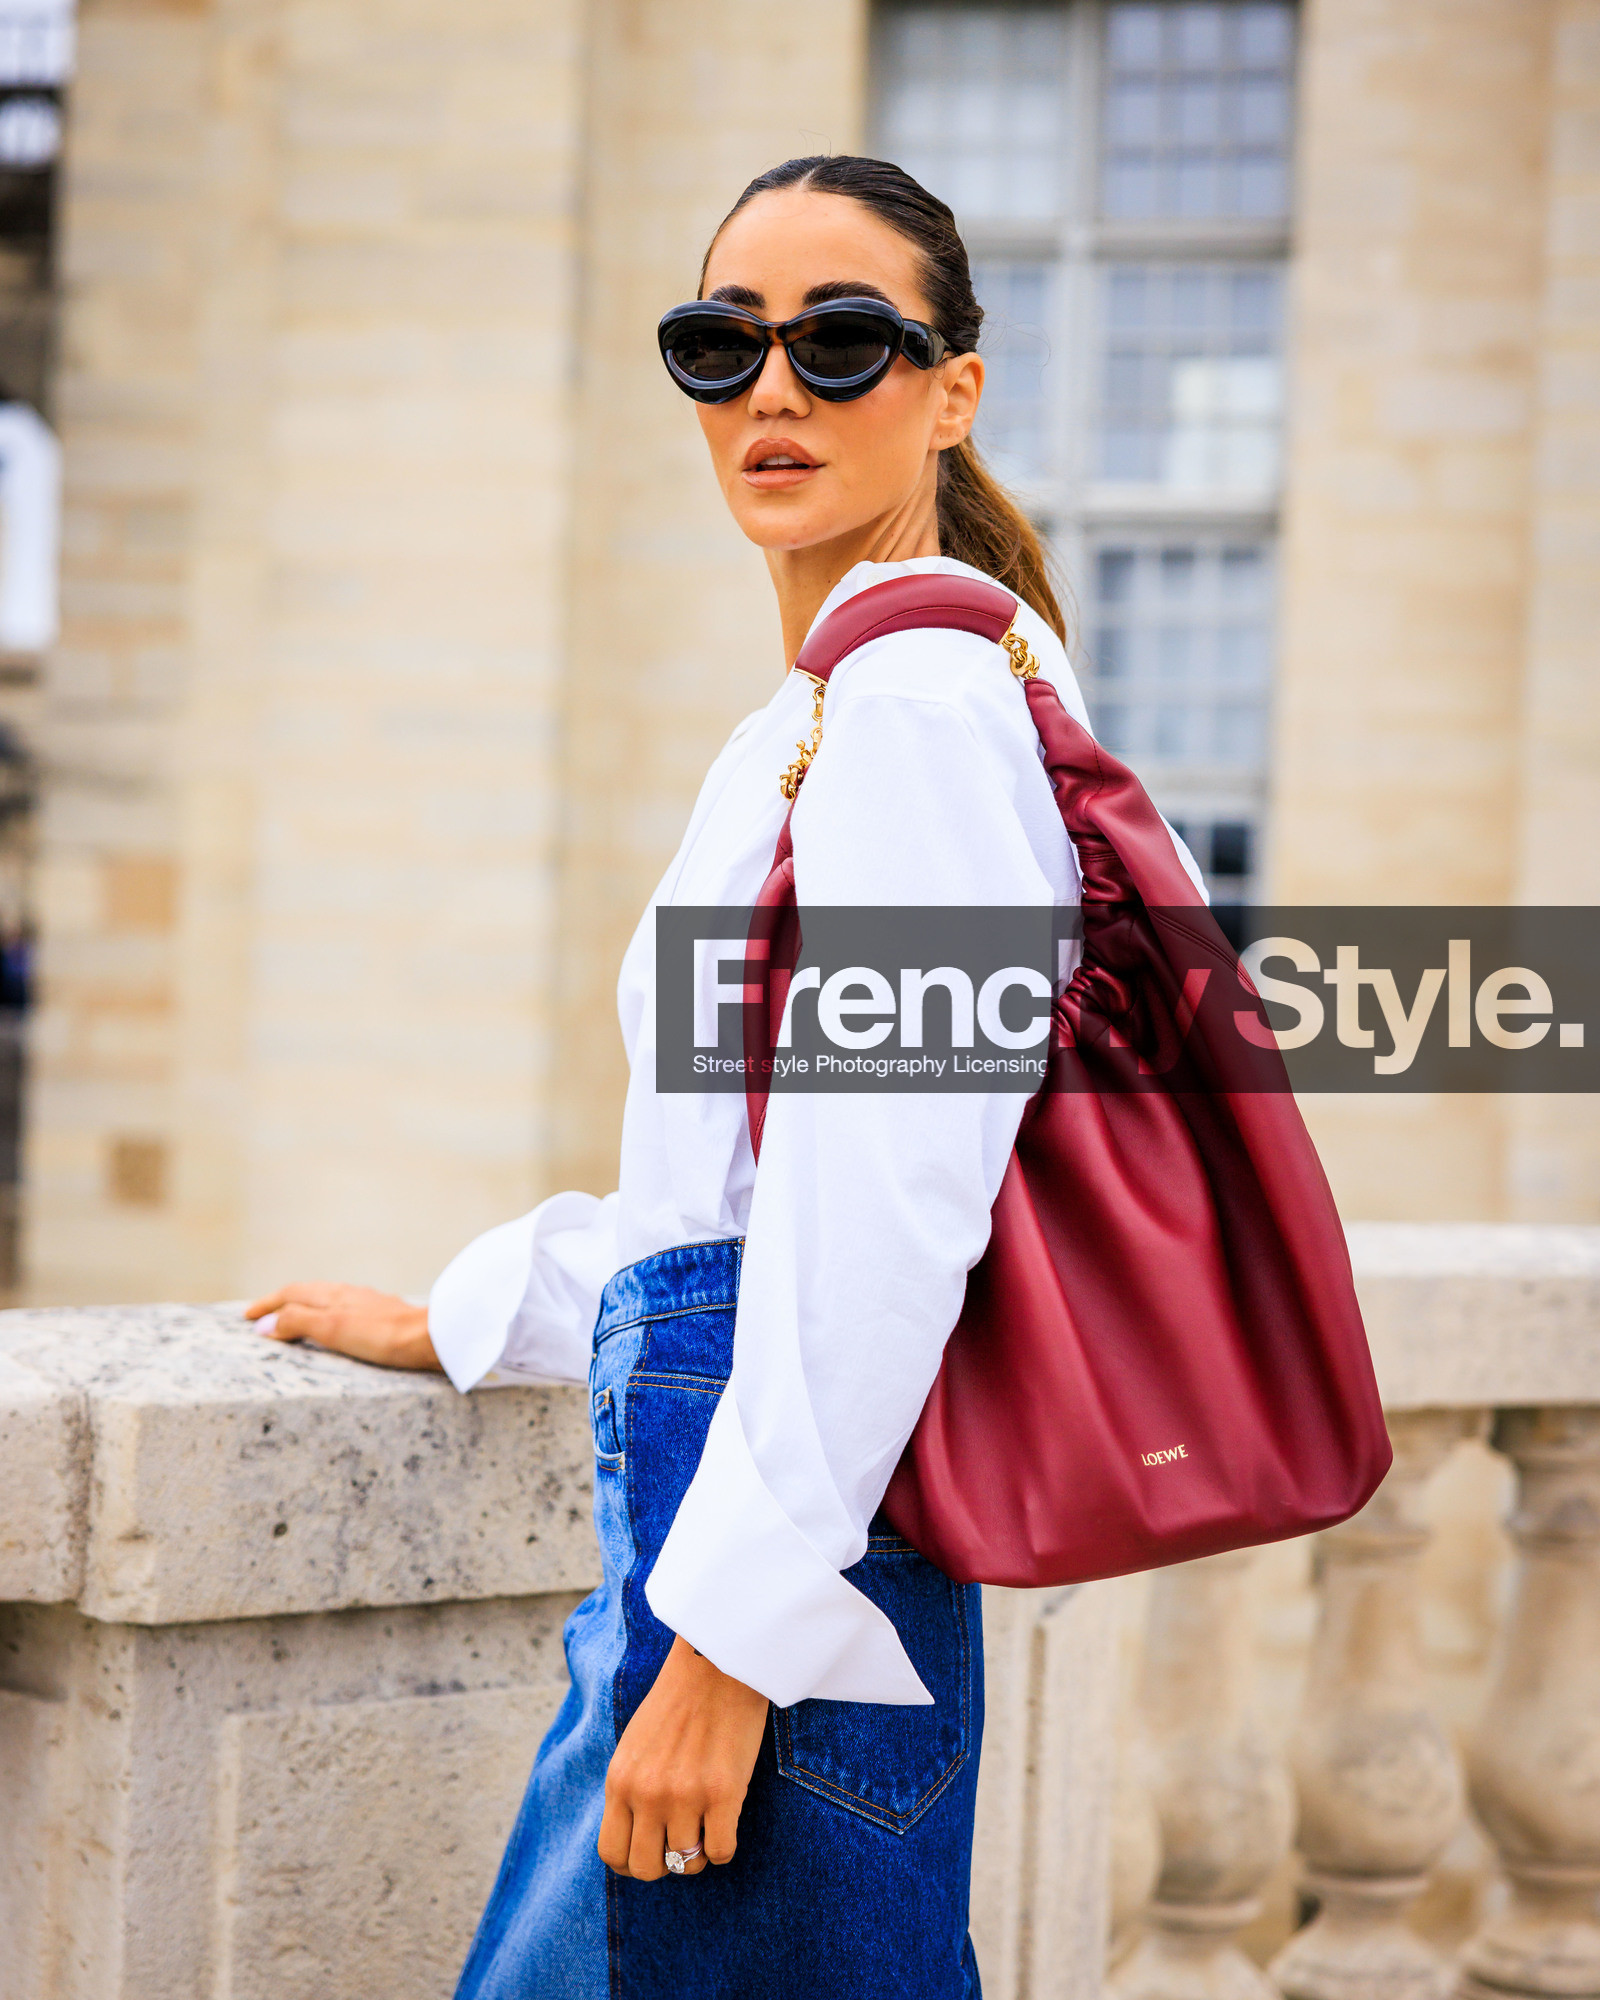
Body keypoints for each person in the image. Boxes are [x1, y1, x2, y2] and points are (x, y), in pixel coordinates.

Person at [246, 153, 1202, 1999]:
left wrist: (732, 1644)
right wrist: (475, 1308)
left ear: (951, 387)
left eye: (844, 342)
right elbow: (745, 1190)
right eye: (720, 343)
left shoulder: (913, 714)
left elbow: (895, 1204)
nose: (774, 390)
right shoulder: (816, 718)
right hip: (737, 1546)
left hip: (773, 1585)